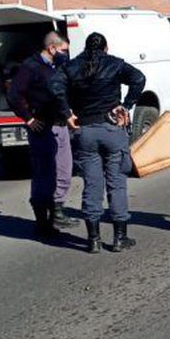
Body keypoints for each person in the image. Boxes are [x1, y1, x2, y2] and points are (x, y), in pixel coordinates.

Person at [49, 32, 146, 254]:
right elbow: (139, 79)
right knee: (117, 183)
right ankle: (119, 237)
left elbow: (54, 86)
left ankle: (93, 239)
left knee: (92, 185)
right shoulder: (115, 64)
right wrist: (126, 105)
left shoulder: (72, 67)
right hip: (112, 127)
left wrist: (67, 113)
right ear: (106, 47)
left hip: (85, 130)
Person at [6, 31, 75, 236]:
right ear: (52, 48)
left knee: (64, 171)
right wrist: (28, 118)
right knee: (44, 174)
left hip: (60, 124)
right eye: (63, 50)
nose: (66, 55)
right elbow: (13, 94)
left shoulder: (59, 67)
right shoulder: (31, 67)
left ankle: (57, 211)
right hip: (42, 127)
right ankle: (42, 221)